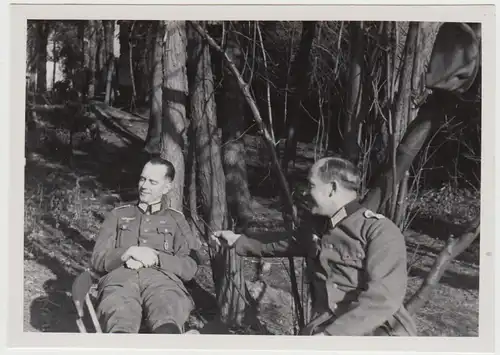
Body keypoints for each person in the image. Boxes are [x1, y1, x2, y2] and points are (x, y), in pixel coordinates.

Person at [211, 156, 418, 336]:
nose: (305, 192)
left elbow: (383, 299)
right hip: (323, 328)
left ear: (332, 188)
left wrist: (331, 336)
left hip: (374, 332)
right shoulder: (318, 228)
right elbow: (279, 242)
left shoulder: (380, 231)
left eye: (311, 185)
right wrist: (237, 240)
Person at [91, 157, 200, 334]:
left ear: (166, 187)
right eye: (142, 179)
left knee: (166, 315)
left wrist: (156, 258)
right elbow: (97, 258)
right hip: (120, 280)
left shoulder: (176, 219)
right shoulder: (118, 215)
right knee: (119, 317)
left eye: (152, 182)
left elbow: (190, 266)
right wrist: (128, 252)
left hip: (163, 282)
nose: (144, 186)